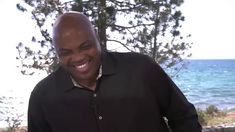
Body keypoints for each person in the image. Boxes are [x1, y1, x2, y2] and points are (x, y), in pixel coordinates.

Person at [28, 11, 202, 132]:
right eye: (65, 52)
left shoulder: (141, 70)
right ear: (56, 51)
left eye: (85, 46)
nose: (78, 57)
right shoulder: (43, 97)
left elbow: (184, 118)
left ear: (96, 36)